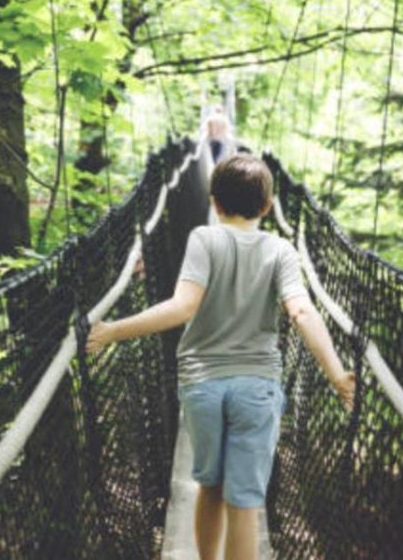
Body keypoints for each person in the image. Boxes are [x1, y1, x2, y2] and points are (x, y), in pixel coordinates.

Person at [86, 154, 355, 560]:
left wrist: (111, 331)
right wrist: (337, 375)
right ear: (267, 207)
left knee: (210, 487)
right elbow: (301, 311)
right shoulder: (281, 251)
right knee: (245, 501)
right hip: (256, 389)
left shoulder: (203, 239)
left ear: (214, 202)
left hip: (202, 387)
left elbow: (181, 308)